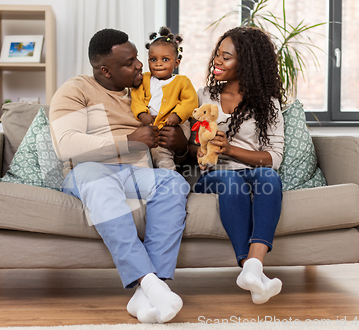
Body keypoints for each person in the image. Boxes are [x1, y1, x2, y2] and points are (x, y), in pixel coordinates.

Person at [49, 28, 190, 323]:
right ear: (105, 70)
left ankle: (144, 296)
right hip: (89, 171)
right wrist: (129, 142)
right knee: (99, 183)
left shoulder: (145, 96)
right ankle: (151, 283)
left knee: (174, 183)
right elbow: (67, 145)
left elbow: (175, 137)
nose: (140, 65)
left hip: (135, 174)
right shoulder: (77, 90)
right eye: (129, 63)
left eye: (138, 58)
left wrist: (181, 146)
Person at [190, 26, 285, 304]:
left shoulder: (268, 104)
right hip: (215, 174)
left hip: (254, 172)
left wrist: (230, 148)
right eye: (218, 54)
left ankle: (253, 268)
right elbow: (189, 144)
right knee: (231, 180)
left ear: (247, 64)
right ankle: (250, 270)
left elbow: (273, 157)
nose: (217, 61)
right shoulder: (204, 95)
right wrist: (201, 150)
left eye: (226, 57)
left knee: (269, 178)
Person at [131, 26, 198, 170]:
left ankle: (169, 175)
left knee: (161, 151)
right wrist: (142, 114)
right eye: (153, 59)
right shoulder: (144, 79)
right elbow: (136, 98)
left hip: (175, 123)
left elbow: (190, 101)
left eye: (165, 59)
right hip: (151, 122)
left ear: (176, 63)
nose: (158, 63)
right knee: (147, 150)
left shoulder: (182, 81)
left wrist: (177, 115)